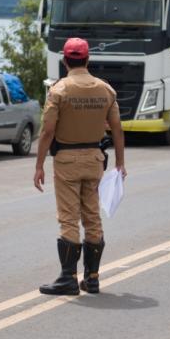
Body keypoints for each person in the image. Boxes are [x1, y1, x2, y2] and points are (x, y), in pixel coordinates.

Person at [34, 37, 126, 295]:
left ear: (65, 61)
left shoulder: (59, 91)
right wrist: (120, 164)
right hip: (95, 160)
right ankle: (93, 278)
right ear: (87, 60)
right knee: (92, 217)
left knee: (68, 219)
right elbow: (118, 130)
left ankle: (68, 278)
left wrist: (39, 164)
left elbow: (47, 132)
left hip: (67, 161)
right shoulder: (105, 90)